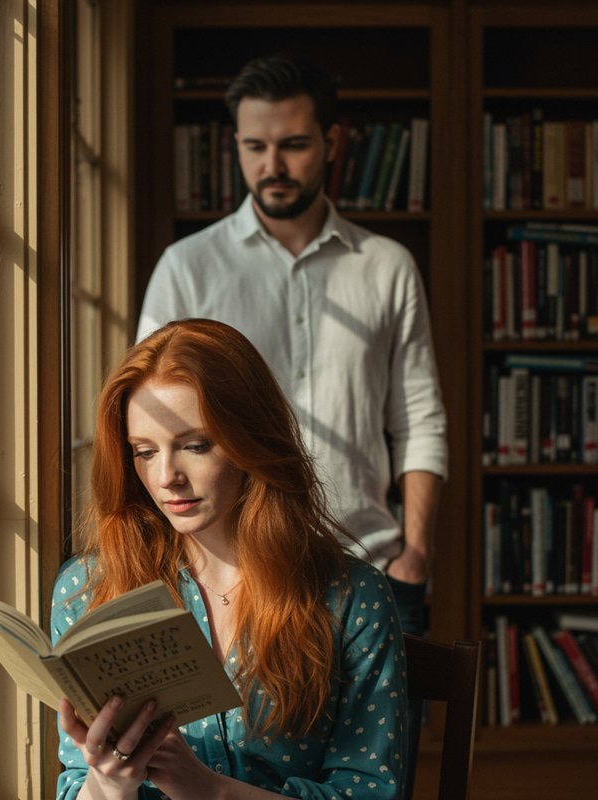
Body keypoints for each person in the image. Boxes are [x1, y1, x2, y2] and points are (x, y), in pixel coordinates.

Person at [136, 54, 447, 795]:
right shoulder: (187, 266)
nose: (271, 165)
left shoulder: (387, 266)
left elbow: (420, 417)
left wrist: (415, 556)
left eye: (293, 144)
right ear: (236, 146)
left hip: (364, 574)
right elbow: (148, 413)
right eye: (255, 146)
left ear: (333, 141)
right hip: (221, 577)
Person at [52, 318, 407, 800]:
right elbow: (76, 782)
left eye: (195, 446)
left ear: (251, 442)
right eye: (144, 452)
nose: (166, 476)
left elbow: (368, 792)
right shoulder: (88, 589)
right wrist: (108, 785)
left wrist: (208, 790)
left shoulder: (349, 596)